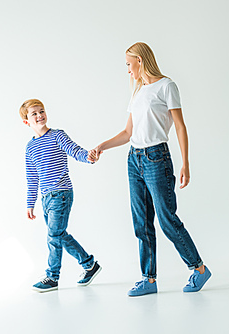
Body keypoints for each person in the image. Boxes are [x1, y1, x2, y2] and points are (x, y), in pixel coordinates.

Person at [90, 42, 211, 296]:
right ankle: (149, 279)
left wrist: (185, 163)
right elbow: (127, 132)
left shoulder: (166, 86)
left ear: (140, 60)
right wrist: (103, 145)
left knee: (167, 220)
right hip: (134, 159)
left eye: (128, 64)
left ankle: (199, 269)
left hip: (157, 158)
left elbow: (180, 126)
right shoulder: (137, 92)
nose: (127, 70)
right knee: (142, 223)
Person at [20, 98, 102, 292]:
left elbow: (75, 151)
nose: (40, 115)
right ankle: (90, 265)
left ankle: (52, 276)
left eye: (41, 111)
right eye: (34, 114)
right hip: (45, 198)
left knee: (53, 235)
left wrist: (89, 157)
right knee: (60, 234)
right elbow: (32, 178)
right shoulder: (30, 148)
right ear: (26, 121)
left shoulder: (57, 136)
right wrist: (30, 204)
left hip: (62, 193)